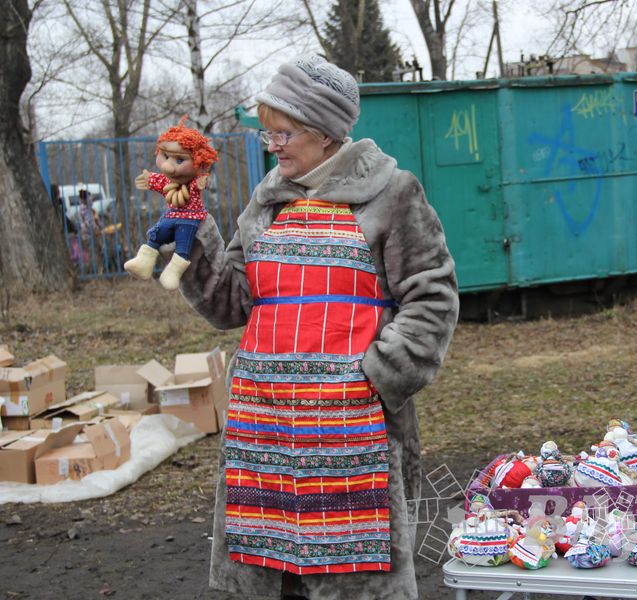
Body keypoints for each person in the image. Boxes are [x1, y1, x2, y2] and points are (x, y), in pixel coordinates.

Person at [168, 56, 459, 600]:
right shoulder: (268, 200)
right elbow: (232, 302)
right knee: (276, 571)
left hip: (353, 432)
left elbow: (432, 298)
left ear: (325, 132)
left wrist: (375, 376)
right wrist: (192, 236)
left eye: (283, 133)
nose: (272, 146)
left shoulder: (392, 194)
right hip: (265, 430)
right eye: (268, 133)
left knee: (351, 578)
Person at [124, 117, 219, 290]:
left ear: (197, 161)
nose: (168, 166)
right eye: (166, 156)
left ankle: (173, 272)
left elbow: (201, 183)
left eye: (180, 160)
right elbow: (157, 181)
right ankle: (143, 262)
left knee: (183, 243)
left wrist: (202, 182)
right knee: (157, 233)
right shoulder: (167, 182)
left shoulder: (194, 182)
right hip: (170, 216)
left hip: (189, 219)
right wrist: (149, 179)